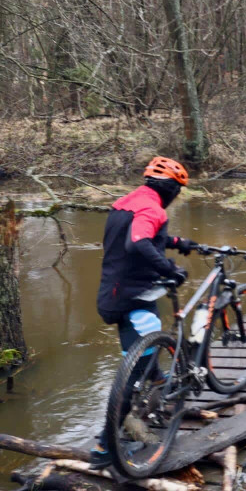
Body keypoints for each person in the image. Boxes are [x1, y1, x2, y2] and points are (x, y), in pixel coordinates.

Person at [90, 156, 198, 467]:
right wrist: (170, 269)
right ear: (172, 190)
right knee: (137, 367)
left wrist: (178, 242)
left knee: (144, 353)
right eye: (178, 191)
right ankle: (105, 447)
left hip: (116, 292)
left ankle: (160, 381)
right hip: (132, 298)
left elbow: (146, 236)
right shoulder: (153, 208)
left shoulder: (129, 201)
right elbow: (138, 242)